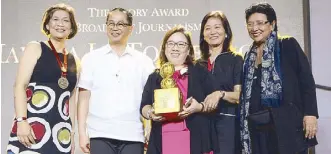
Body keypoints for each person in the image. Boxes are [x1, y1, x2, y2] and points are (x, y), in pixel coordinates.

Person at [240, 2, 318, 154]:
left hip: (285, 124)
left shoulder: (287, 45)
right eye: (250, 24)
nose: (254, 28)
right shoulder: (248, 55)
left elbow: (306, 81)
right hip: (257, 127)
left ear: (272, 24)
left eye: (260, 23)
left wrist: (311, 114)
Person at [77, 7, 155, 154]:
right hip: (99, 133)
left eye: (120, 24)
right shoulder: (91, 58)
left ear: (130, 29)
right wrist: (82, 133)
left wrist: (150, 127)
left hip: (133, 134)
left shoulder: (144, 61)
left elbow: (150, 99)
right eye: (111, 23)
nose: (115, 28)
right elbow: (83, 99)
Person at [6, 3, 79, 154]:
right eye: (55, 19)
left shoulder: (74, 60)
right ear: (47, 25)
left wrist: (71, 134)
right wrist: (21, 121)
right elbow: (20, 85)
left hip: (61, 133)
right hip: (32, 126)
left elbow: (70, 98)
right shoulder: (35, 47)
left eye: (66, 20)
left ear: (71, 27)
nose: (60, 24)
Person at [140, 26, 218, 154]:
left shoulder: (200, 72)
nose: (175, 48)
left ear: (188, 50)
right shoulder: (155, 76)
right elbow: (144, 105)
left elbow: (215, 101)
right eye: (171, 43)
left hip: (196, 139)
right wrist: (150, 113)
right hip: (162, 140)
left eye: (181, 44)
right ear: (164, 48)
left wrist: (199, 107)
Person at [196, 11, 243, 154]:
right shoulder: (197, 64)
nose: (212, 32)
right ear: (203, 34)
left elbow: (239, 96)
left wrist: (220, 94)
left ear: (226, 31)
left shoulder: (236, 59)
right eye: (208, 28)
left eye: (217, 27)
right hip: (201, 125)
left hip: (227, 125)